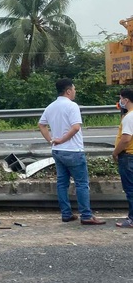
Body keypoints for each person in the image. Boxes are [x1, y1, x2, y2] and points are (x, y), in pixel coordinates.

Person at [38, 78, 105, 225]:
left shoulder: (51, 107)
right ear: (68, 91)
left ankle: (66, 213)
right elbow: (76, 127)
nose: (75, 91)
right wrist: (62, 139)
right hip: (73, 150)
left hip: (57, 151)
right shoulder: (72, 106)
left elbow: (41, 125)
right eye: (74, 89)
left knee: (62, 183)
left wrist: (52, 140)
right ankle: (86, 215)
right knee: (81, 183)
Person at [113, 88, 133, 228]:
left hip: (128, 157)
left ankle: (131, 219)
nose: (120, 101)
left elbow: (126, 139)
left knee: (130, 189)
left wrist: (115, 152)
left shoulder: (129, 117)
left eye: (121, 99)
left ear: (126, 100)